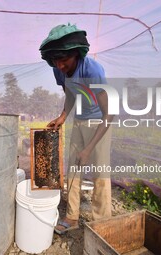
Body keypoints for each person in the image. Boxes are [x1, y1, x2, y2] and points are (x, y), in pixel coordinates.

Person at [39, 23, 114, 234]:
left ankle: (102, 222)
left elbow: (110, 113)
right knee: (73, 169)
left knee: (100, 173)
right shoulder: (58, 70)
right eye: (56, 61)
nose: (60, 66)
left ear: (76, 54)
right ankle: (72, 216)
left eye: (64, 60)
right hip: (79, 121)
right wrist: (63, 116)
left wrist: (88, 148)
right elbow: (70, 93)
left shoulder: (92, 70)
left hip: (100, 122)